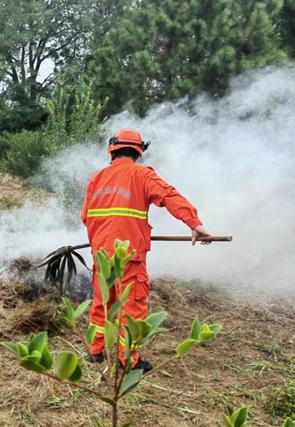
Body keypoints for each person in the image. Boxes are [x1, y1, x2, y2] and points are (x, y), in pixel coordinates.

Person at [81, 128, 212, 372]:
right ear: (139, 152)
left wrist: (105, 238)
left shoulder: (96, 179)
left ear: (112, 150)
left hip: (101, 254)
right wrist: (195, 224)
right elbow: (169, 196)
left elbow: (85, 217)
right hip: (129, 256)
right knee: (131, 307)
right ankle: (127, 361)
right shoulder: (142, 176)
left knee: (102, 302)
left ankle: (95, 350)